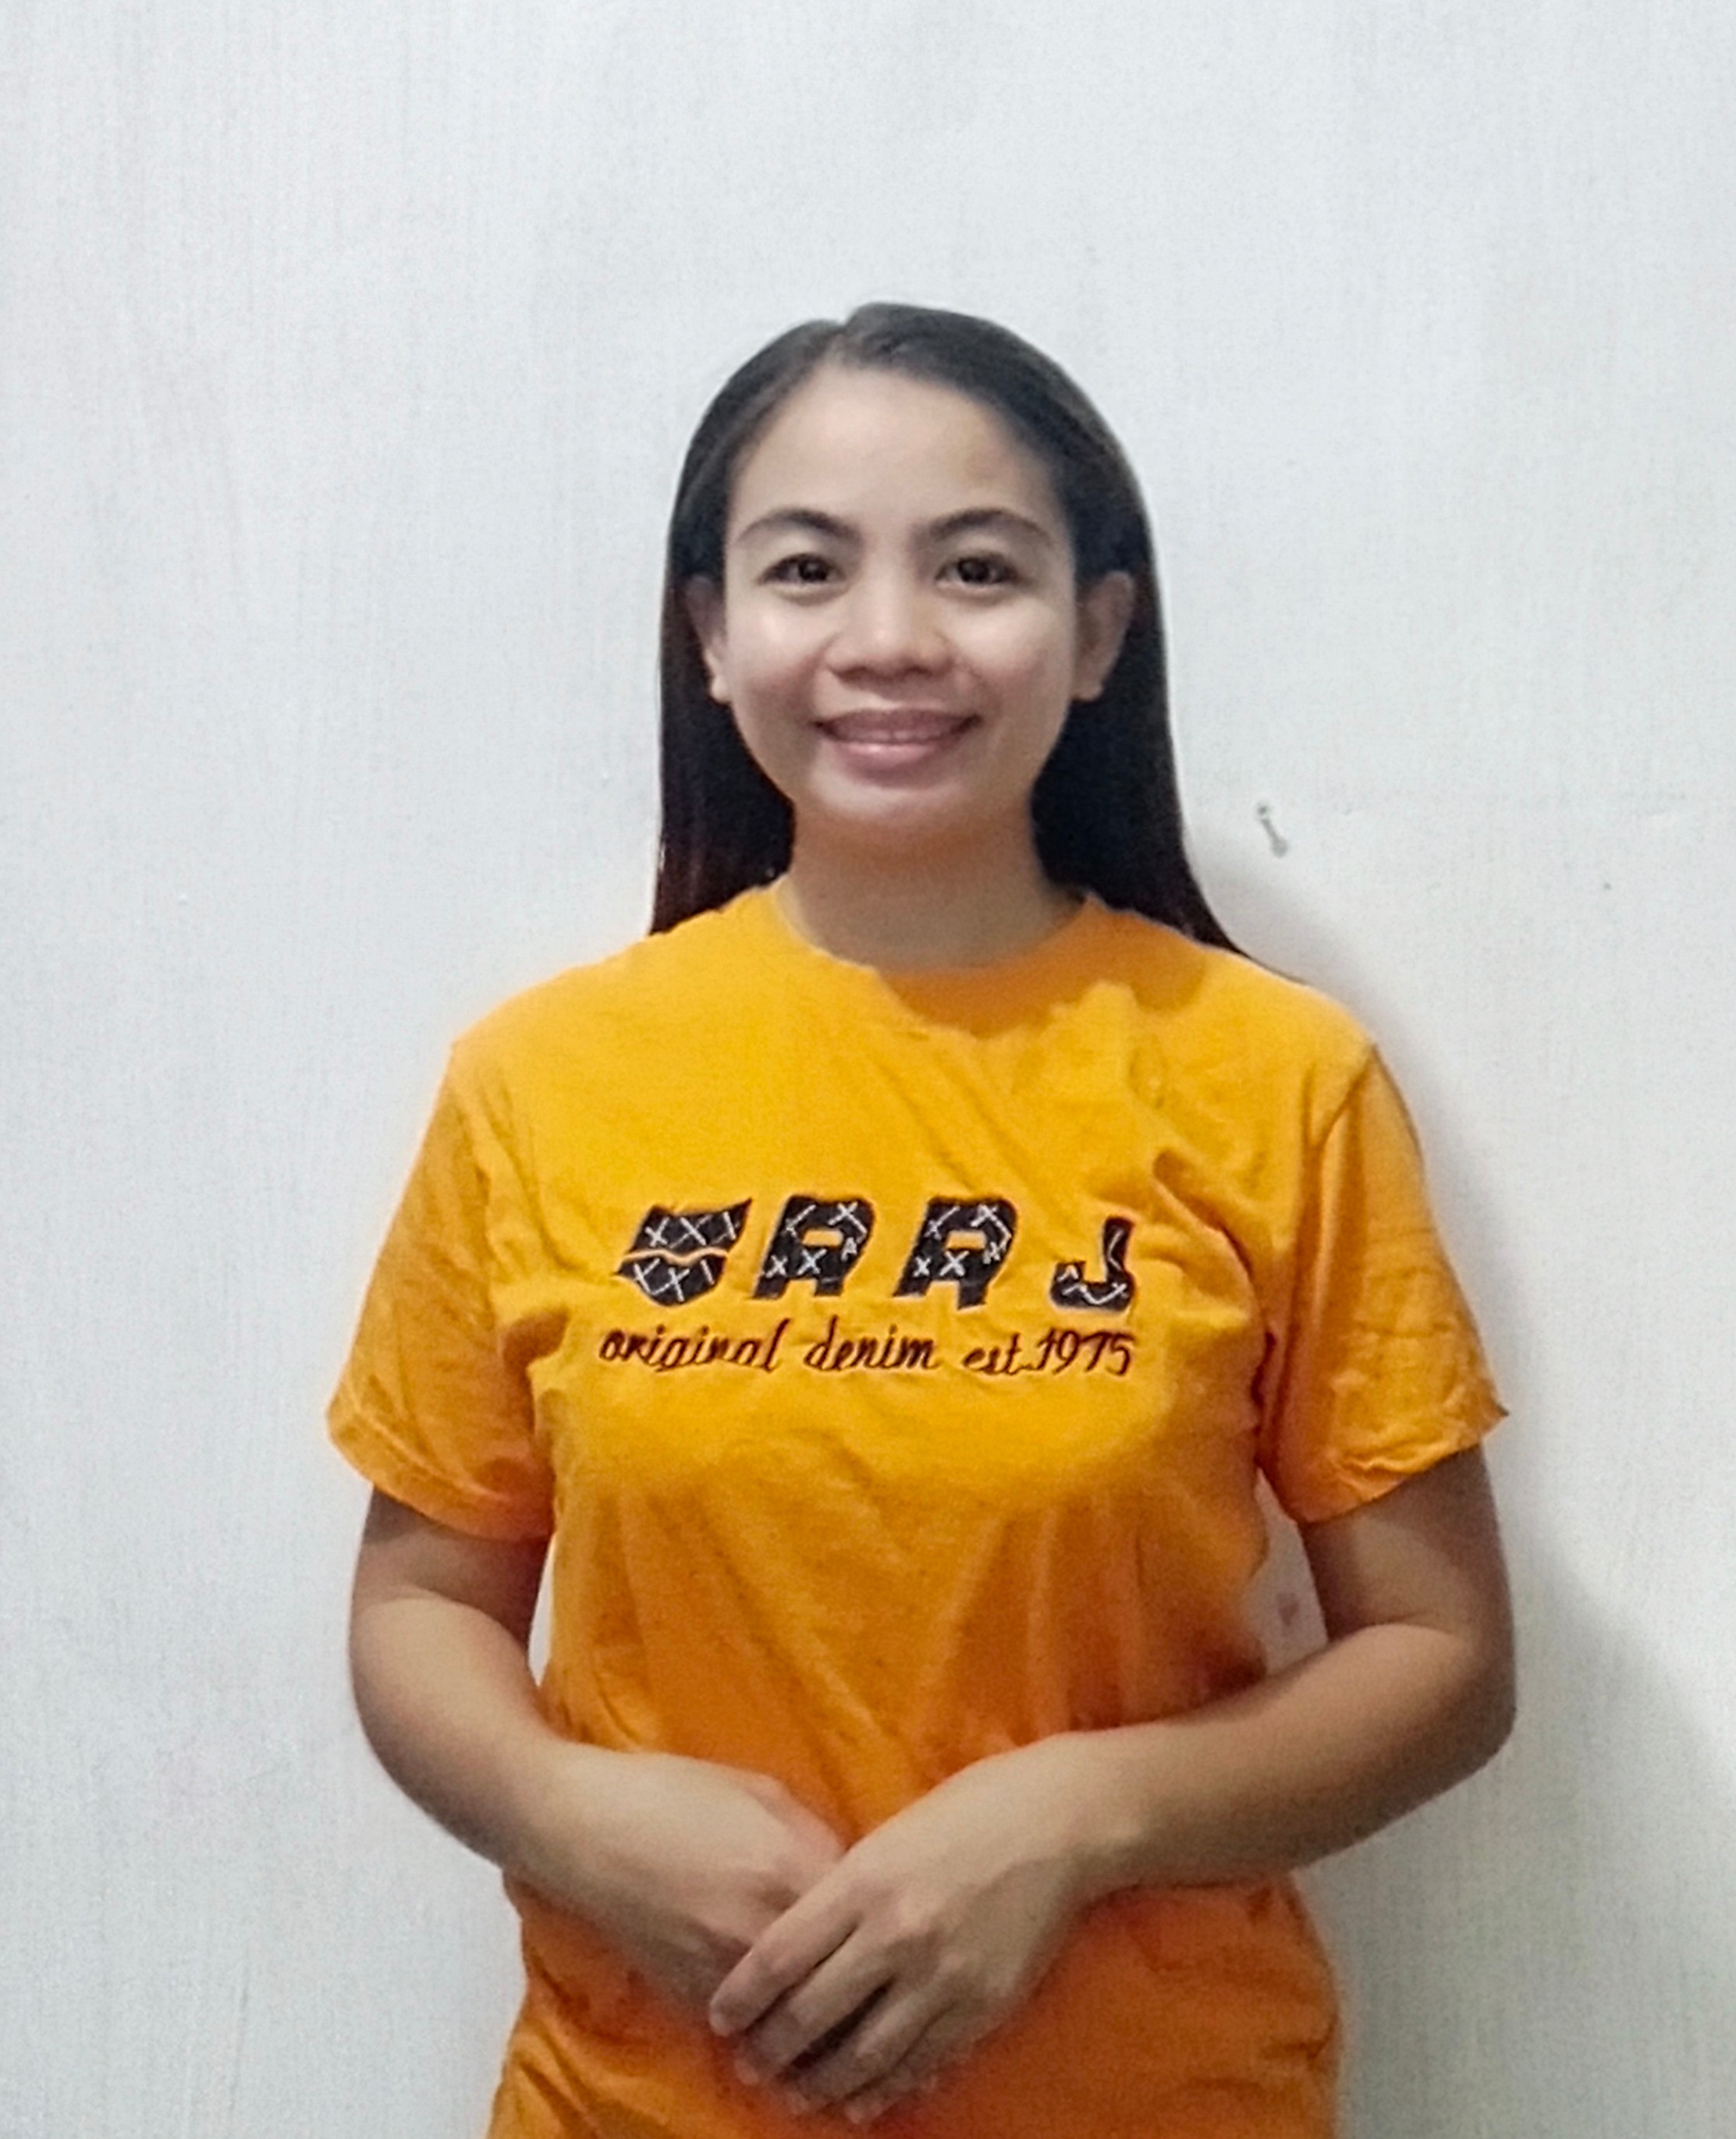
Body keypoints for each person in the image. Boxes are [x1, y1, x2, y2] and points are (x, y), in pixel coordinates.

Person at [331, 302, 1514, 2139]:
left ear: (1097, 632)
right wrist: (570, 1812)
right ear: (712, 632)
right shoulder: (542, 1080)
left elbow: (1440, 1660)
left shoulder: (1274, 1076)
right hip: (637, 2104)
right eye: (808, 569)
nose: (890, 638)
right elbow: (421, 1604)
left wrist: (1078, 1818)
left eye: (977, 567)